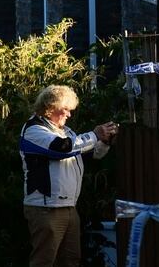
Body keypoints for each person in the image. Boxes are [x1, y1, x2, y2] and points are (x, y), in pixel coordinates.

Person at [20, 84, 119, 267]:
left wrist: (105, 141)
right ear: (50, 107)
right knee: (44, 261)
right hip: (46, 209)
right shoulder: (33, 130)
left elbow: (90, 154)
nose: (69, 114)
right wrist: (94, 135)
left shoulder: (65, 131)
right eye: (65, 109)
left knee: (71, 260)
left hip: (69, 207)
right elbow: (62, 149)